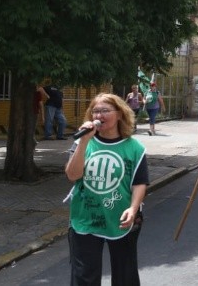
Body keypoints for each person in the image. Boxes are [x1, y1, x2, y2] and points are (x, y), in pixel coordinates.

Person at [64, 93, 148, 284]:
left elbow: (139, 182)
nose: (98, 115)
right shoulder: (82, 143)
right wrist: (84, 142)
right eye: (95, 111)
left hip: (121, 218)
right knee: (84, 276)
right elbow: (72, 175)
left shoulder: (135, 148)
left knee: (125, 275)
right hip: (85, 217)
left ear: (119, 114)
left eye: (105, 110)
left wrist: (133, 208)